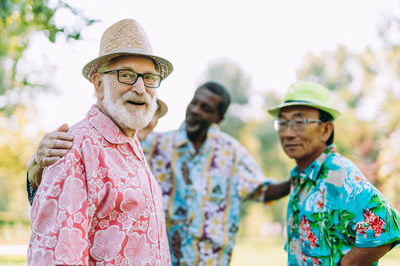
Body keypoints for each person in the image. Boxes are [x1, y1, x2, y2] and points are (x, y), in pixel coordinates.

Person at [27, 81, 291, 265]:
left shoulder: (232, 153)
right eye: (194, 103)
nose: (196, 110)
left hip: (212, 260)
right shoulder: (155, 145)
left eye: (206, 108)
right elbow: (107, 149)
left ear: (219, 119)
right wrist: (37, 164)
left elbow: (261, 189)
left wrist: (299, 176)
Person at [27, 18, 173, 265]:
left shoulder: (131, 143)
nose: (140, 88)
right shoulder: (74, 149)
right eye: (126, 75)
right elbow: (58, 258)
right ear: (99, 83)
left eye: (149, 78)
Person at [267, 81, 400, 265]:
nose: (287, 133)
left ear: (326, 129)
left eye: (299, 122)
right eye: (282, 123)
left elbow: (386, 227)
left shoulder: (338, 175)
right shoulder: (302, 177)